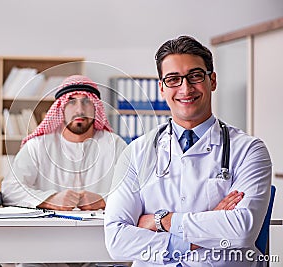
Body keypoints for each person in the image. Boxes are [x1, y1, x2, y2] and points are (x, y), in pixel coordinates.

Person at [104, 35, 272, 266]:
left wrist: (161, 221)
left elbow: (241, 230)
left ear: (212, 80)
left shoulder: (249, 150)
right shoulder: (136, 152)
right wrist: (206, 228)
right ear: (162, 88)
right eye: (173, 79)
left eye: (195, 76)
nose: (185, 88)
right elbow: (117, 241)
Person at [2, 74, 127, 211]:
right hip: (49, 230)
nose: (79, 110)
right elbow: (10, 190)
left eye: (86, 102)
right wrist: (50, 200)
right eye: (71, 102)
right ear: (61, 108)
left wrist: (103, 200)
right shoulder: (37, 146)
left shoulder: (115, 145)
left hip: (100, 230)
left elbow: (135, 189)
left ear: (96, 107)